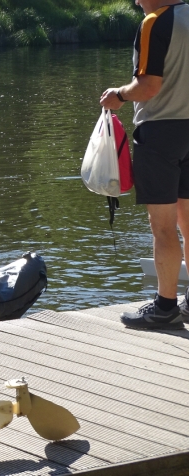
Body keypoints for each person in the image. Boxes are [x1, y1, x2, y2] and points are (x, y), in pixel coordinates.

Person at [100, 0, 189, 329]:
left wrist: (118, 95)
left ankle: (166, 307)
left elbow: (148, 86)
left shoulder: (155, 22)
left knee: (163, 225)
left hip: (161, 131)